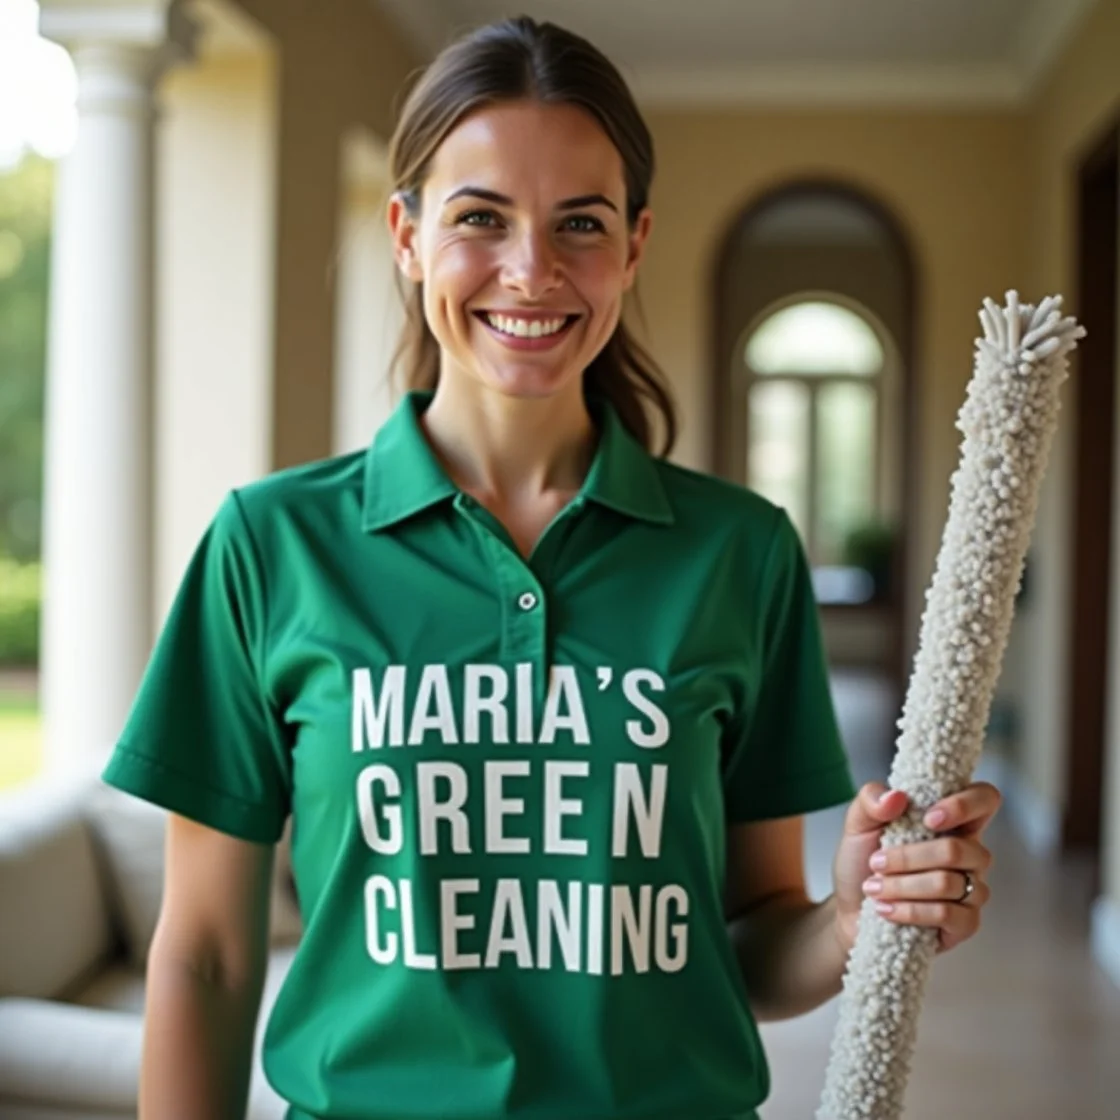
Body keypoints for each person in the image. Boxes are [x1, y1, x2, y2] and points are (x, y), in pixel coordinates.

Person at [102, 15, 1001, 1120]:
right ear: (406, 234)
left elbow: (750, 944)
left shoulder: (741, 552)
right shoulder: (270, 545)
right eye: (481, 217)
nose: (532, 271)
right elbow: (203, 958)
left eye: (580, 222)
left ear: (632, 244)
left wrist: (849, 923)